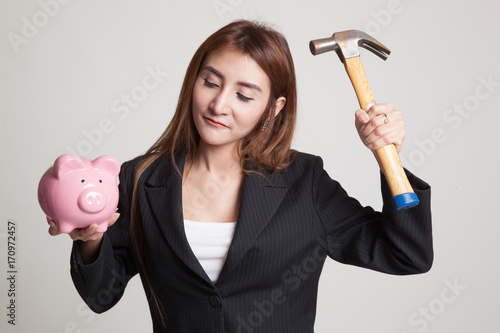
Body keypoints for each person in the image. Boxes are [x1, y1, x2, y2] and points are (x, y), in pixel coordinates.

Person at [49, 19, 433, 332]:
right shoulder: (140, 179)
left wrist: (389, 159)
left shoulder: (304, 180)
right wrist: (91, 238)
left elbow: (407, 254)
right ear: (193, 80)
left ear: (272, 108)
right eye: (211, 82)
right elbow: (100, 297)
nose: (219, 104)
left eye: (245, 95)